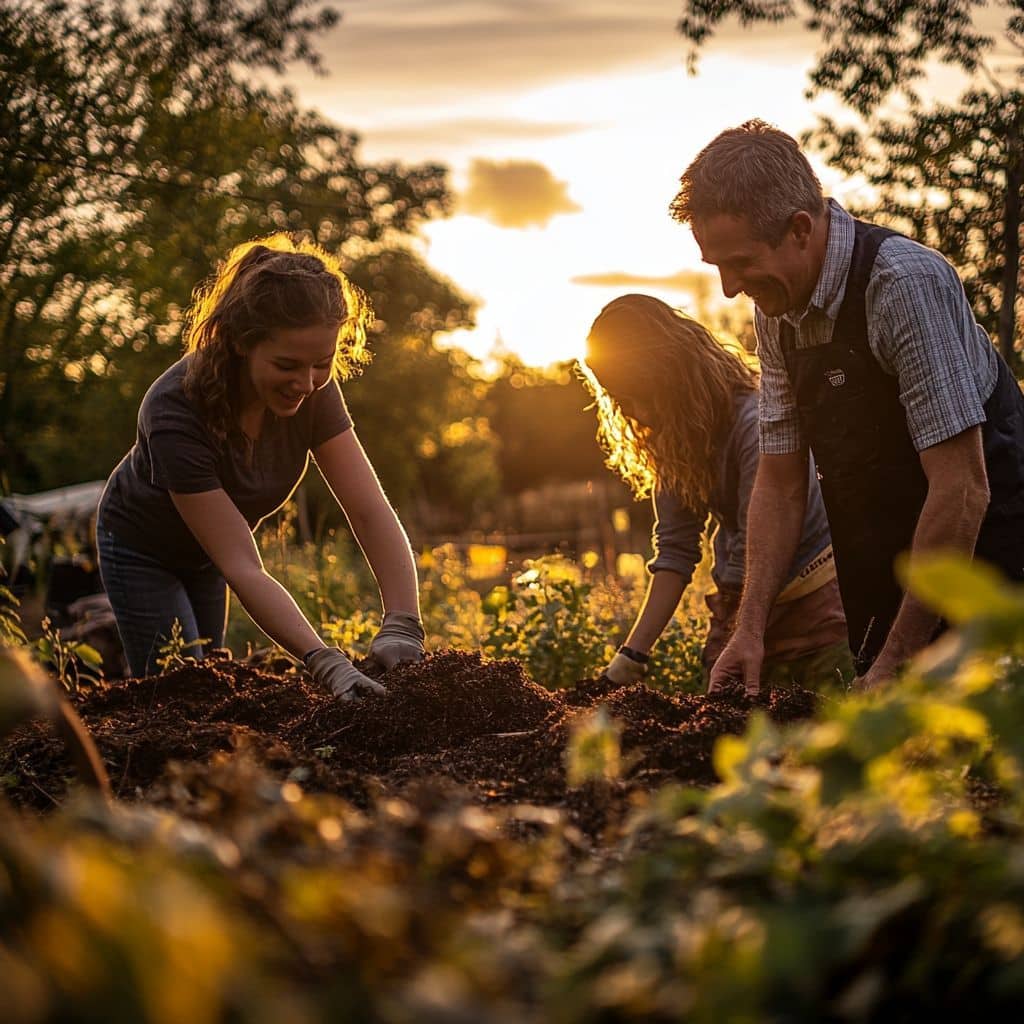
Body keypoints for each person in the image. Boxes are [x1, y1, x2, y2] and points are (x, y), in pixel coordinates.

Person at [669, 119, 1024, 694]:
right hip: (886, 559)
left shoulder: (902, 285)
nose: (731, 288)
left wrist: (901, 659)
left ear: (800, 229)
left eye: (740, 263)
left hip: (989, 559)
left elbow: (962, 486)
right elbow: (780, 482)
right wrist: (749, 629)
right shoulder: (778, 308)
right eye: (718, 268)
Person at [96, 234, 425, 700]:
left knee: (205, 676)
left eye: (322, 364)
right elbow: (243, 566)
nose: (306, 383)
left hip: (209, 554)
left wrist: (403, 623)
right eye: (287, 365)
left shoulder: (313, 390)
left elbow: (369, 509)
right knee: (180, 691)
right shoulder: (175, 410)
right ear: (237, 344)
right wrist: (325, 662)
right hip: (142, 549)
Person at [582, 293, 851, 690]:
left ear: (672, 375)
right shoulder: (676, 439)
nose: (638, 412)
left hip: (815, 609)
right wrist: (632, 655)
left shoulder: (756, 422)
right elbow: (675, 549)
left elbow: (756, 543)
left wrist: (736, 630)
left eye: (642, 394)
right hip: (741, 605)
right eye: (623, 400)